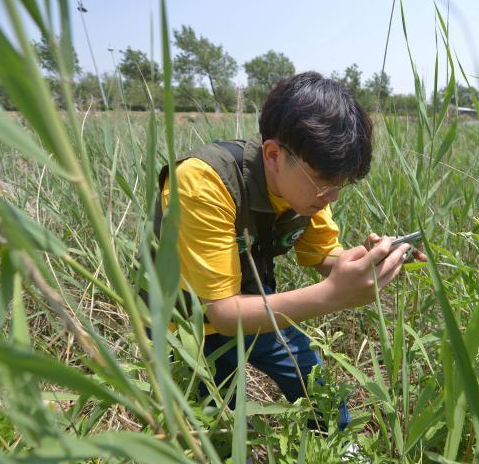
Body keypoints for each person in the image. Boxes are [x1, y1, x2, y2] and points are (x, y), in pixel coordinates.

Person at [154, 71, 426, 432]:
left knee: (314, 381)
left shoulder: (307, 188)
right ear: (273, 155)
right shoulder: (202, 182)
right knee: (218, 426)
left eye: (340, 186)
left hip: (254, 302)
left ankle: (336, 446)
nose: (332, 197)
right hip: (186, 326)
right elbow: (220, 313)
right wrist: (334, 296)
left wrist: (369, 261)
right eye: (325, 184)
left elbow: (323, 256)